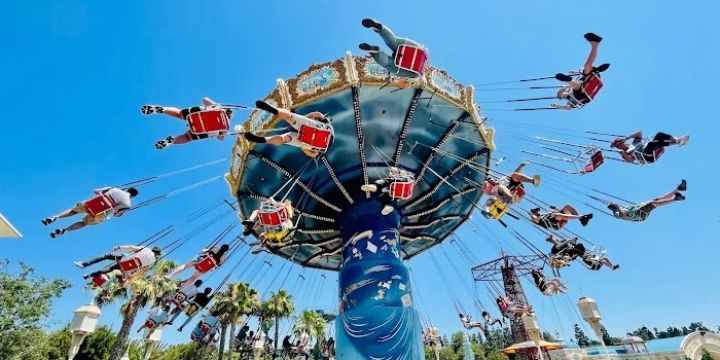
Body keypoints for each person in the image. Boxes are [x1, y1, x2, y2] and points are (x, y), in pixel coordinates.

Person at [243, 100, 334, 158]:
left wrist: (303, 118)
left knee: (291, 117)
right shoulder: (319, 150)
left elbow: (317, 114)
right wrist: (302, 145)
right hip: (313, 144)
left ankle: (275, 110)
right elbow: (311, 154)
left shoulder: (328, 125)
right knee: (286, 138)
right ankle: (261, 140)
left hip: (318, 129)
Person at [43, 187, 138, 238]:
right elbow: (116, 214)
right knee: (84, 223)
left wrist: (103, 196)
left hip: (92, 203)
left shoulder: (114, 188)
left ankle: (55, 217)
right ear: (132, 196)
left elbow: (96, 191)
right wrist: (121, 213)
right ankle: (65, 230)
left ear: (127, 189)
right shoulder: (128, 204)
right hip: (102, 213)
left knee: (74, 211)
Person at [141, 97, 233, 149]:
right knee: (187, 137)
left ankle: (163, 109)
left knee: (179, 113)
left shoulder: (220, 108)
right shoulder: (226, 127)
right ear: (230, 116)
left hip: (197, 113)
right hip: (200, 130)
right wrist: (223, 134)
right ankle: (172, 141)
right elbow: (220, 138)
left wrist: (218, 105)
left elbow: (204, 99)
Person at [552, 33, 610, 110]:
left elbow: (562, 91)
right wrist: (557, 106)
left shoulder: (570, 90)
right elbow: (568, 108)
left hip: (588, 79)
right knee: (577, 88)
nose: (564, 95)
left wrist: (563, 89)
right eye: (563, 96)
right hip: (584, 93)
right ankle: (568, 80)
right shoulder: (571, 101)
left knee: (587, 66)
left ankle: (595, 43)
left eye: (563, 94)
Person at [358, 19, 425, 79]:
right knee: (388, 63)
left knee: (393, 41)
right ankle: (375, 53)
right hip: (414, 71)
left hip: (418, 50)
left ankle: (381, 28)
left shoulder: (424, 55)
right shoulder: (416, 75)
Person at [76, 245, 161, 286]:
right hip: (127, 268)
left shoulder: (146, 249)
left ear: (152, 249)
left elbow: (131, 247)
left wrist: (119, 247)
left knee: (106, 256)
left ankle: (84, 264)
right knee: (109, 270)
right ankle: (89, 276)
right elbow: (141, 269)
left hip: (124, 259)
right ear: (157, 254)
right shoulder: (152, 261)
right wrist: (129, 275)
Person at [608, 180, 686, 222]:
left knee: (657, 199)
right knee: (654, 204)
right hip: (639, 214)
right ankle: (674, 199)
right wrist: (617, 208)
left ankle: (679, 189)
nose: (614, 203)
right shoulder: (616, 212)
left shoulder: (621, 208)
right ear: (612, 207)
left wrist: (619, 207)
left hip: (639, 209)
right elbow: (623, 216)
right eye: (612, 204)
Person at [611, 131, 689, 164]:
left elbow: (639, 133)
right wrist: (622, 153)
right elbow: (630, 160)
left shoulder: (634, 143)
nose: (619, 146)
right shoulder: (626, 153)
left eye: (619, 144)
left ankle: (678, 140)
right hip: (646, 157)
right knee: (651, 144)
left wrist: (626, 138)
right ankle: (678, 142)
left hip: (651, 150)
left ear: (623, 142)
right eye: (617, 146)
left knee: (659, 135)